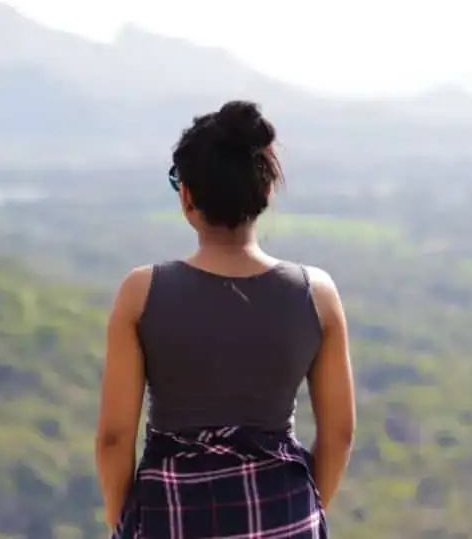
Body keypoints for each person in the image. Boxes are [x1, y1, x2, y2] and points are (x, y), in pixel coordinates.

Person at [95, 100, 355, 538]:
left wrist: (125, 522)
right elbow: (340, 434)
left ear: (187, 197)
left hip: (171, 516)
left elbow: (115, 438)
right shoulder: (318, 295)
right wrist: (302, 511)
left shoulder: (141, 294)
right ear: (266, 191)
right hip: (284, 515)